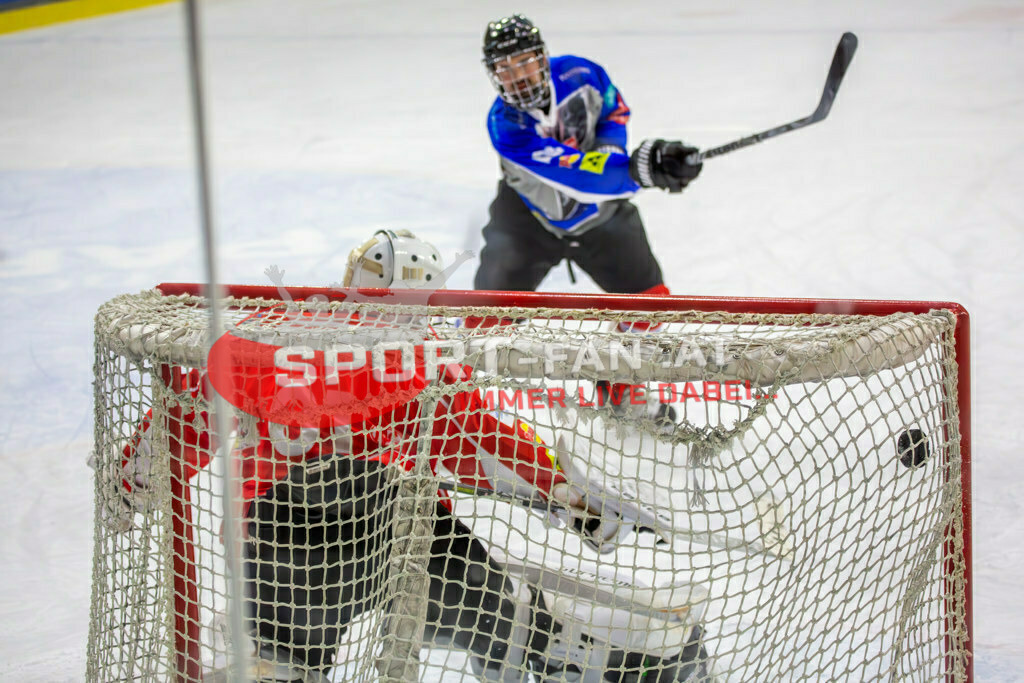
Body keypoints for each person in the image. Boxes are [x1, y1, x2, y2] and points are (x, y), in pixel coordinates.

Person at [105, 230, 712, 682]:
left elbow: (186, 404)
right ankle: (581, 658)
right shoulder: (425, 358)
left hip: (281, 534)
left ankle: (274, 659)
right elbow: (484, 444)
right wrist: (565, 496)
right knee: (502, 622)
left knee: (281, 658)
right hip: (401, 528)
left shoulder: (267, 335)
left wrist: (134, 482)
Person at [476, 15, 703, 425]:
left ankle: (618, 383)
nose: (517, 77)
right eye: (504, 69)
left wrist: (617, 157)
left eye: (524, 62)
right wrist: (635, 171)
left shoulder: (583, 74)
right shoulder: (505, 126)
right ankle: (453, 395)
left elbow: (614, 112)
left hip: (603, 215)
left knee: (648, 304)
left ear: (543, 57)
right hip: (528, 222)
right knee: (483, 318)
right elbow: (577, 180)